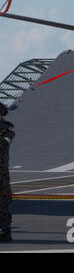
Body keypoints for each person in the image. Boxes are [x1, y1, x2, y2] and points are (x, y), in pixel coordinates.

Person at [0, 103, 15, 242]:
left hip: (1, 174)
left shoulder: (6, 129)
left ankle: (5, 231)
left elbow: (4, 144)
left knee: (3, 202)